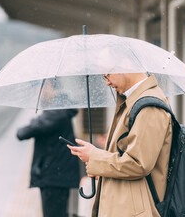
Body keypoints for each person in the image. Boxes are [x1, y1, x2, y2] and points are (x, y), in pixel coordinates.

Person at [67, 73, 173, 217]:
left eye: (107, 75)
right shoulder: (133, 102)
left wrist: (94, 156)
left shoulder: (149, 106)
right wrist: (100, 169)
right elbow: (128, 161)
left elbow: (137, 163)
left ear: (124, 64)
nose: (107, 83)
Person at [16, 109, 80, 217]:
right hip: (58, 173)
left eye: (44, 90)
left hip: (54, 175)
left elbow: (22, 133)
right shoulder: (61, 111)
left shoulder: (55, 113)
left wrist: (34, 121)